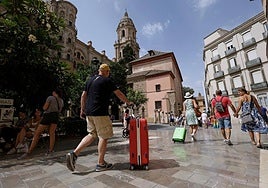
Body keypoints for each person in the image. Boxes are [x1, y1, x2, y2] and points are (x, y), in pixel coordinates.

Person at [66, 63, 133, 172]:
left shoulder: (90, 80)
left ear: (99, 70)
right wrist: (128, 102)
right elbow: (119, 93)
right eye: (108, 72)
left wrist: (82, 110)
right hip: (100, 112)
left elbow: (83, 96)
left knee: (92, 134)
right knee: (103, 136)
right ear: (107, 72)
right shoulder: (107, 80)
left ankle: (74, 154)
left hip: (89, 112)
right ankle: (100, 163)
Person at [18, 89, 64, 159]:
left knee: (37, 133)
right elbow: (59, 110)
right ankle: (50, 150)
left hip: (48, 116)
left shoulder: (50, 98)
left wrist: (45, 107)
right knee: (52, 133)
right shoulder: (61, 101)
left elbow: (45, 108)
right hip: (55, 117)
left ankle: (29, 152)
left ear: (54, 93)